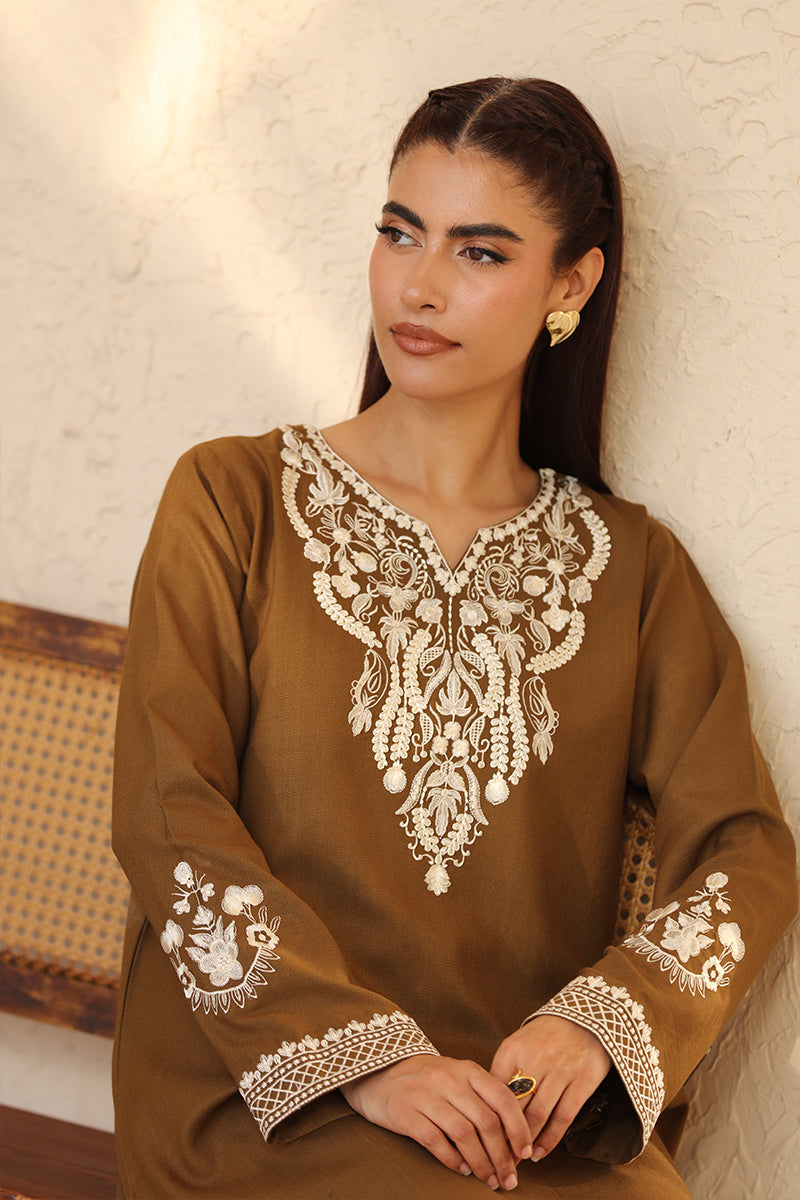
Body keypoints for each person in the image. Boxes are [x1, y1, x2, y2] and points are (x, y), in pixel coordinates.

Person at [111, 77, 796, 1198]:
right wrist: (362, 1059)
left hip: (507, 1124)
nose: (418, 286)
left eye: (479, 253)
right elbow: (165, 808)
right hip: (260, 1092)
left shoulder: (628, 571)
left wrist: (604, 1022)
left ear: (570, 283)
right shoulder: (232, 499)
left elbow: (746, 850)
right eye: (399, 233)